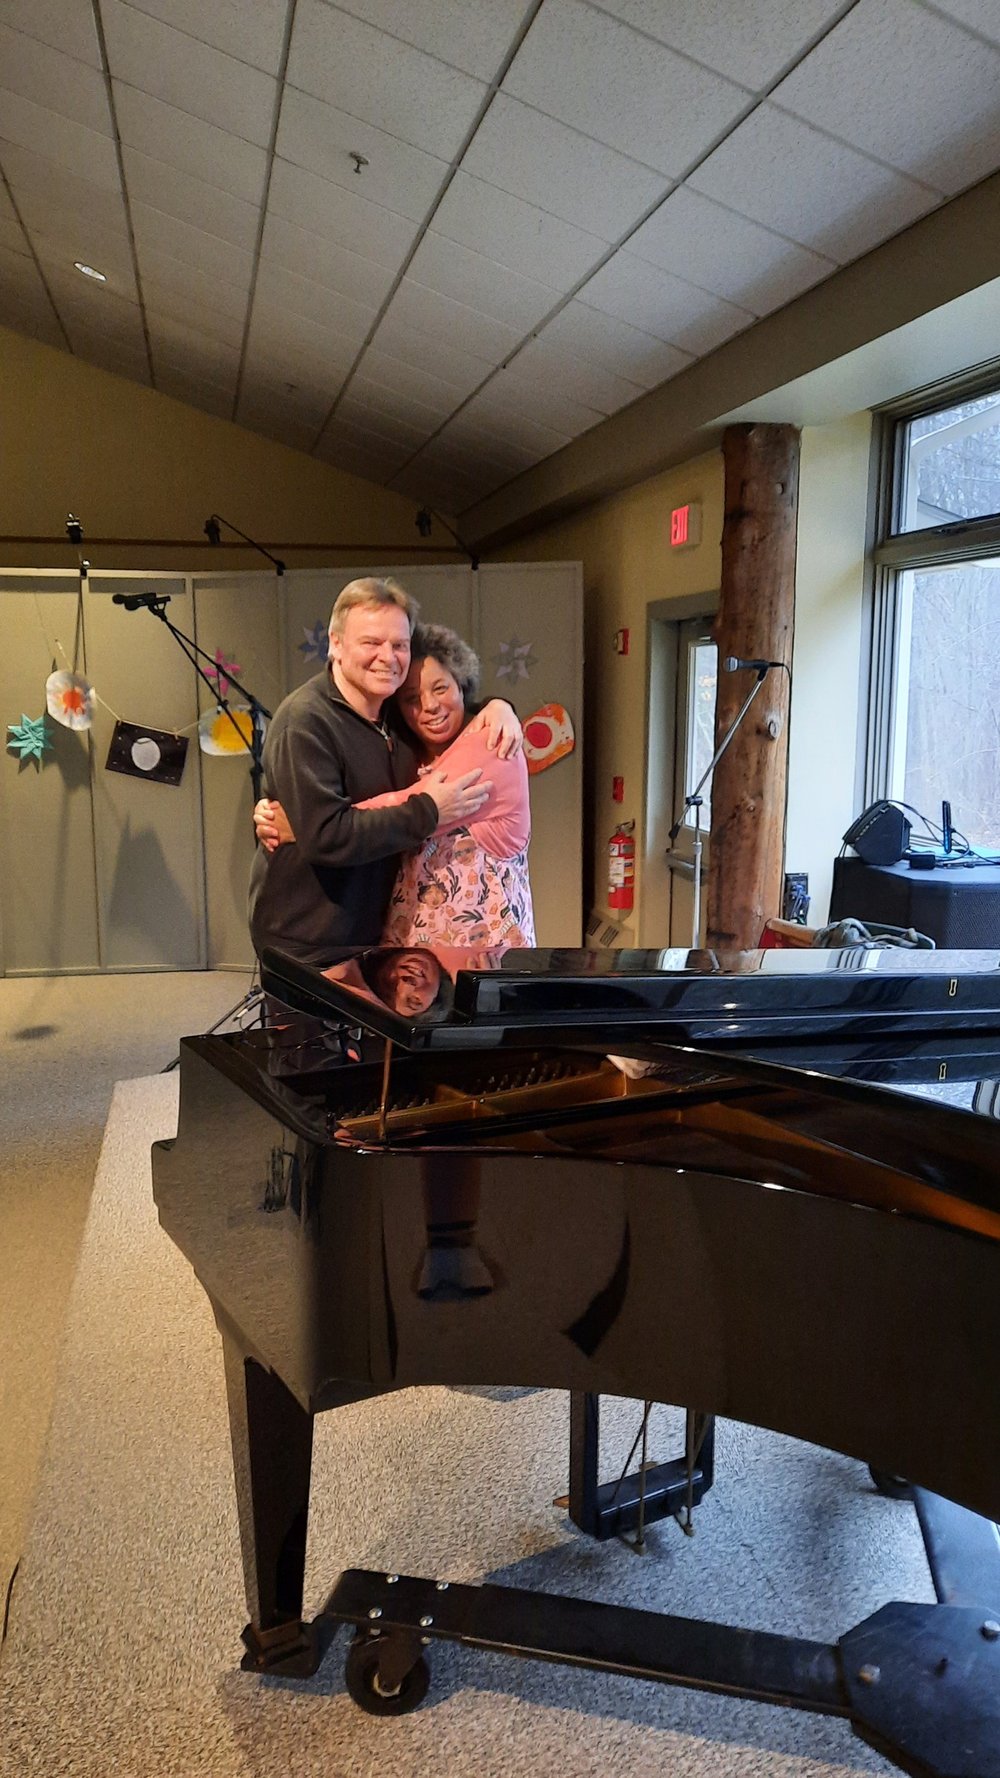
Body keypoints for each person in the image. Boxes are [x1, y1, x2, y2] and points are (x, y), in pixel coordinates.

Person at [248, 578, 521, 964]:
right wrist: (429, 811)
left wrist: (500, 706)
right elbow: (327, 839)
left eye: (399, 645)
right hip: (309, 937)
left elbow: (453, 713)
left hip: (378, 930)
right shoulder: (305, 721)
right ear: (335, 643)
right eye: (371, 642)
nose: (387, 657)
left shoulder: (395, 711)